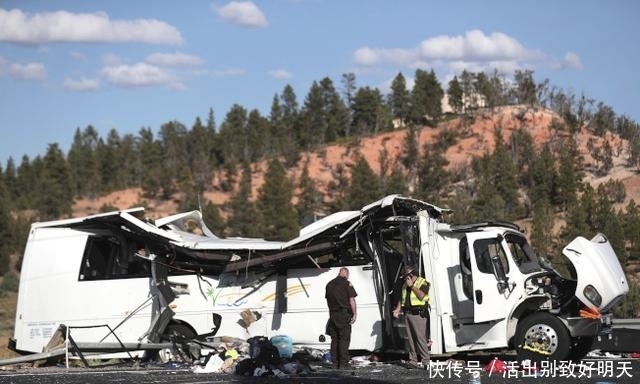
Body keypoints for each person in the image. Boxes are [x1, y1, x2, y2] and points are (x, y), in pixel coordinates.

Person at [392, 265, 431, 369]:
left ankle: (426, 361)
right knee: (411, 339)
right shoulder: (405, 285)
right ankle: (413, 361)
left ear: (410, 275)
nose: (404, 279)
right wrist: (397, 309)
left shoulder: (422, 282)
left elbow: (422, 295)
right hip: (408, 314)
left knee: (420, 338)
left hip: (418, 314)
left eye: (405, 277)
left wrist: (411, 286)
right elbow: (402, 298)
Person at [325, 267, 358, 369]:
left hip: (333, 315)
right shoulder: (346, 283)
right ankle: (343, 364)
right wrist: (355, 313)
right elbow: (351, 299)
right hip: (343, 314)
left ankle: (335, 363)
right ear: (346, 274)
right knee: (344, 339)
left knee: (334, 339)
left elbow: (328, 300)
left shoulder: (329, 284)